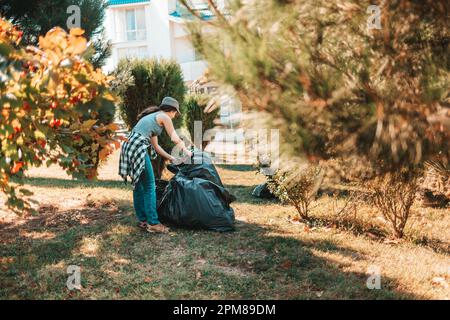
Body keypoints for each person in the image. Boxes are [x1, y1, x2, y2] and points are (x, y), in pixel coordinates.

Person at [119, 97, 192, 233]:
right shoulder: (164, 117)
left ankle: (143, 220)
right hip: (137, 147)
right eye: (176, 113)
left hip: (129, 146)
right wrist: (187, 151)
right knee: (149, 185)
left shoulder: (154, 118)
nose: (175, 116)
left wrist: (171, 157)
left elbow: (156, 147)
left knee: (139, 185)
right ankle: (153, 223)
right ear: (172, 110)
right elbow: (174, 137)